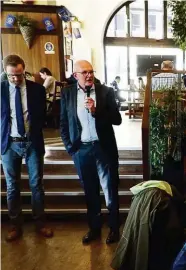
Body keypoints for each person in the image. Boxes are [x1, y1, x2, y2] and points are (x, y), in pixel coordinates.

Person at [60, 60, 122, 244]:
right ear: (75, 75)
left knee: (110, 190)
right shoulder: (67, 93)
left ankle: (114, 229)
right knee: (90, 191)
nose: (88, 75)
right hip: (82, 149)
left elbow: (117, 119)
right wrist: (71, 149)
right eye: (84, 72)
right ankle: (94, 228)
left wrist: (96, 111)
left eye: (91, 71)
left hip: (104, 148)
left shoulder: (106, 92)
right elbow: (63, 123)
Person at [1, 54, 53, 241]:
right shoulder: (0, 89)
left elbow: (42, 115)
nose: (15, 79)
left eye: (19, 75)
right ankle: (15, 226)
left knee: (36, 185)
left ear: (24, 70)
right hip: (9, 144)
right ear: (5, 73)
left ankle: (40, 223)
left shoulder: (37, 90)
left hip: (32, 142)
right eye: (11, 76)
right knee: (12, 186)